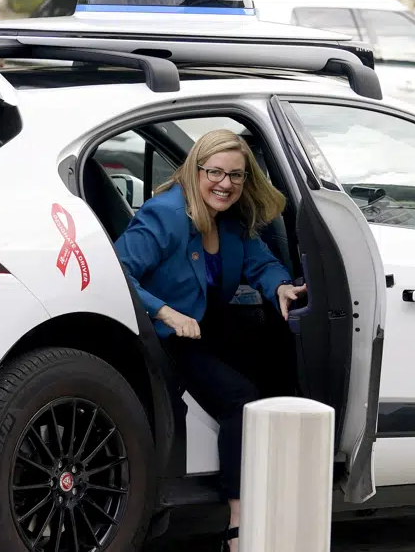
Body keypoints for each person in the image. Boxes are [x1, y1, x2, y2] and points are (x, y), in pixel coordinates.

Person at [113, 129, 306, 552]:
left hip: (208, 329)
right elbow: (115, 270)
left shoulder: (232, 222)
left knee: (282, 364)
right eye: (215, 172)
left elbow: (262, 263)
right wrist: (164, 311)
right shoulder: (164, 215)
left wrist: (280, 288)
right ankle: (238, 523)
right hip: (166, 337)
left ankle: (280, 484)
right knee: (240, 398)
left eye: (236, 176)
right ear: (194, 170)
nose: (226, 184)